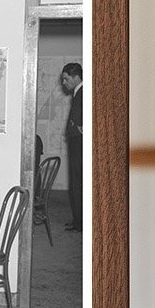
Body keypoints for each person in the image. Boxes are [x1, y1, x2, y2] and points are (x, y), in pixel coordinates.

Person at [60, 62, 83, 232]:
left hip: (79, 144)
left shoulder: (83, 93)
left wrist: (78, 128)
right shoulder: (78, 93)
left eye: (66, 79)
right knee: (76, 182)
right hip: (76, 143)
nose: (64, 83)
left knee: (79, 182)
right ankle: (78, 220)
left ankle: (80, 222)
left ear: (76, 77)